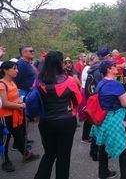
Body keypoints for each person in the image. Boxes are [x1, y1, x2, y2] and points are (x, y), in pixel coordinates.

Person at [34, 51, 81, 179]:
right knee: (63, 157)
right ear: (60, 63)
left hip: (46, 121)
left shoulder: (38, 81)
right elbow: (78, 100)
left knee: (49, 154)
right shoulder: (69, 81)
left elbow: (35, 99)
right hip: (66, 121)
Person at [90, 60, 126, 179]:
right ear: (108, 69)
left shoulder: (101, 83)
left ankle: (103, 173)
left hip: (103, 119)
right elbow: (124, 103)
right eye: (114, 66)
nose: (116, 67)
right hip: (114, 119)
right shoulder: (115, 84)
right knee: (125, 147)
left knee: (103, 145)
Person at [0, 61, 39, 172]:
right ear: (6, 70)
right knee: (5, 140)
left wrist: (24, 100)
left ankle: (26, 154)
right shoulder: (2, 84)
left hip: (17, 114)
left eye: (17, 68)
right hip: (5, 116)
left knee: (19, 136)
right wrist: (20, 105)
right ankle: (5, 161)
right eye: (14, 68)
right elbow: (5, 103)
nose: (17, 70)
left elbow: (16, 98)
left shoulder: (12, 83)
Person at [81, 53, 99, 143]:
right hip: (87, 92)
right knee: (90, 114)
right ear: (90, 61)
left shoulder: (88, 68)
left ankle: (87, 135)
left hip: (87, 91)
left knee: (90, 114)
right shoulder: (88, 69)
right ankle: (85, 136)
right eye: (95, 60)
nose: (97, 61)